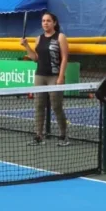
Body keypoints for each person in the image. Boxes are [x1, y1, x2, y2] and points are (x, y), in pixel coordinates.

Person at [21, 12, 69, 146]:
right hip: (40, 76)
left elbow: (65, 58)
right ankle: (38, 136)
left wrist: (60, 76)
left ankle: (63, 136)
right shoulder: (38, 38)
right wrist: (26, 46)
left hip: (54, 76)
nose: (45, 23)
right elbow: (35, 58)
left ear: (54, 22)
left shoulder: (60, 37)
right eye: (43, 21)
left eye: (48, 21)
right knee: (38, 106)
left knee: (57, 106)